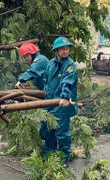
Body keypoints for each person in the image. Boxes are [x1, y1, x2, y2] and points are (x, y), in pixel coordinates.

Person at [40, 36, 78, 168]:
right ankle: (50, 156)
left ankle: (63, 158)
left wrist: (65, 97)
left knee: (61, 132)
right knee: (47, 130)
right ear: (56, 50)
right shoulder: (51, 63)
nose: (65, 51)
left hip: (62, 104)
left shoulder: (69, 65)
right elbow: (46, 80)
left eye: (67, 48)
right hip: (49, 103)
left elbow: (67, 81)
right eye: (62, 49)